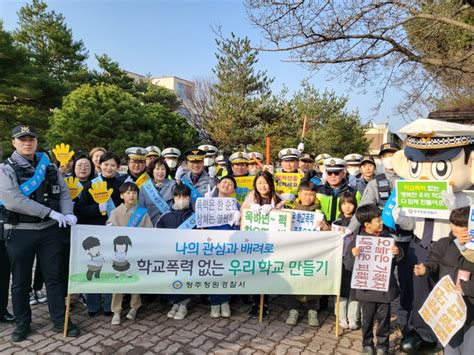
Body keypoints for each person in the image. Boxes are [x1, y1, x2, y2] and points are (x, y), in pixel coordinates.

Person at [0, 125, 80, 341]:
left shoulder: (49, 166)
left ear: (36, 142)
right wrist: (50, 212)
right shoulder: (5, 169)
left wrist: (68, 212)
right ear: (13, 143)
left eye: (31, 139)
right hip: (20, 232)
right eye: (22, 139)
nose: (27, 142)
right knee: (20, 281)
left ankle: (60, 320)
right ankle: (22, 322)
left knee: (53, 278)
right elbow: (13, 199)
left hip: (49, 232)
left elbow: (63, 191)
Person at [413, 206, 474, 355]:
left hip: (471, 309)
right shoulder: (444, 244)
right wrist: (425, 269)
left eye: (459, 225)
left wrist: (467, 288)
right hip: (449, 308)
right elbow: (434, 263)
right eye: (452, 223)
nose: (453, 227)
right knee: (452, 348)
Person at [345, 205, 403, 355]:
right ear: (367, 225)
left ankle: (383, 345)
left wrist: (397, 253)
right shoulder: (357, 241)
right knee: (367, 319)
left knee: (384, 320)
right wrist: (352, 255)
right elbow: (348, 265)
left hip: (384, 289)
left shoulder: (388, 239)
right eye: (378, 220)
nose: (382, 222)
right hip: (366, 289)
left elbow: (397, 262)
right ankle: (367, 344)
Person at [75, 151, 123, 317]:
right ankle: (93, 306)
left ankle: (109, 305)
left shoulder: (120, 185)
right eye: (106, 164)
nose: (109, 168)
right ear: (100, 165)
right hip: (93, 233)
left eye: (113, 165)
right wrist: (98, 208)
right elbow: (80, 210)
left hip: (114, 233)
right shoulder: (90, 185)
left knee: (111, 268)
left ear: (117, 167)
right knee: (94, 268)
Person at [106, 182, 153, 325]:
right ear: (121, 195)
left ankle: (134, 307)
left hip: (136, 252)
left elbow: (150, 231)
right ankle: (116, 311)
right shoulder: (115, 213)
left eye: (134, 192)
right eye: (128, 192)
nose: (131, 195)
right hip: (119, 255)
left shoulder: (142, 213)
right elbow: (109, 229)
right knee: (117, 283)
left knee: (135, 281)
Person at [241, 171, 283, 319]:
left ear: (271, 183)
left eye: (265, 182)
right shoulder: (250, 198)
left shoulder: (278, 199)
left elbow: (284, 220)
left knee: (265, 273)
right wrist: (248, 210)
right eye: (259, 183)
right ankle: (255, 302)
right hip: (253, 243)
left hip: (271, 244)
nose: (263, 186)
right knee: (254, 272)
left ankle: (264, 304)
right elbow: (243, 215)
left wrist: (274, 210)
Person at [285, 181, 326, 327]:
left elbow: (327, 234)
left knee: (312, 281)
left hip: (313, 254)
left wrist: (324, 227)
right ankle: (293, 309)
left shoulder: (319, 212)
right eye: (305, 194)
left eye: (311, 194)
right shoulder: (290, 210)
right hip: (294, 253)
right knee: (293, 280)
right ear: (299, 194)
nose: (308, 197)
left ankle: (313, 310)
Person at [156, 184, 195, 320]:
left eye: (185, 196)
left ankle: (183, 305)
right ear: (173, 198)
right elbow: (156, 234)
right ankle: (175, 303)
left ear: (189, 198)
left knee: (184, 278)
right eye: (178, 196)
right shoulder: (165, 216)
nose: (181, 199)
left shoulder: (194, 217)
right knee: (172, 279)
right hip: (170, 256)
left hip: (188, 257)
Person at [206, 175, 241, 318]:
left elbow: (239, 230)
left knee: (226, 272)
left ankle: (225, 302)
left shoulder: (236, 206)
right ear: (218, 184)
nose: (226, 185)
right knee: (213, 272)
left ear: (233, 190)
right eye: (224, 182)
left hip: (228, 244)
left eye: (230, 184)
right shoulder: (208, 202)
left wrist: (238, 222)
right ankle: (214, 303)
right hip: (211, 243)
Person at [333, 192, 360, 330]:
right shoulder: (337, 222)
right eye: (344, 203)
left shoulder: (359, 223)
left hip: (356, 260)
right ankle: (341, 316)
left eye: (350, 203)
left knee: (354, 289)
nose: (347, 206)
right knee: (341, 288)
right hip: (341, 260)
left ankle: (353, 317)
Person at [316, 158, 361, 224]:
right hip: (321, 230)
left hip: (344, 229)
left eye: (336, 173)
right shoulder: (317, 191)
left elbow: (358, 215)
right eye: (329, 173)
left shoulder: (354, 193)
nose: (333, 176)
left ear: (343, 174)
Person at [138, 157, 176, 226]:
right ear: (152, 170)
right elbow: (141, 210)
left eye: (163, 169)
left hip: (169, 225)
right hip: (150, 226)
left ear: (166, 171)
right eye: (157, 169)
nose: (160, 172)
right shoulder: (144, 188)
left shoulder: (173, 185)